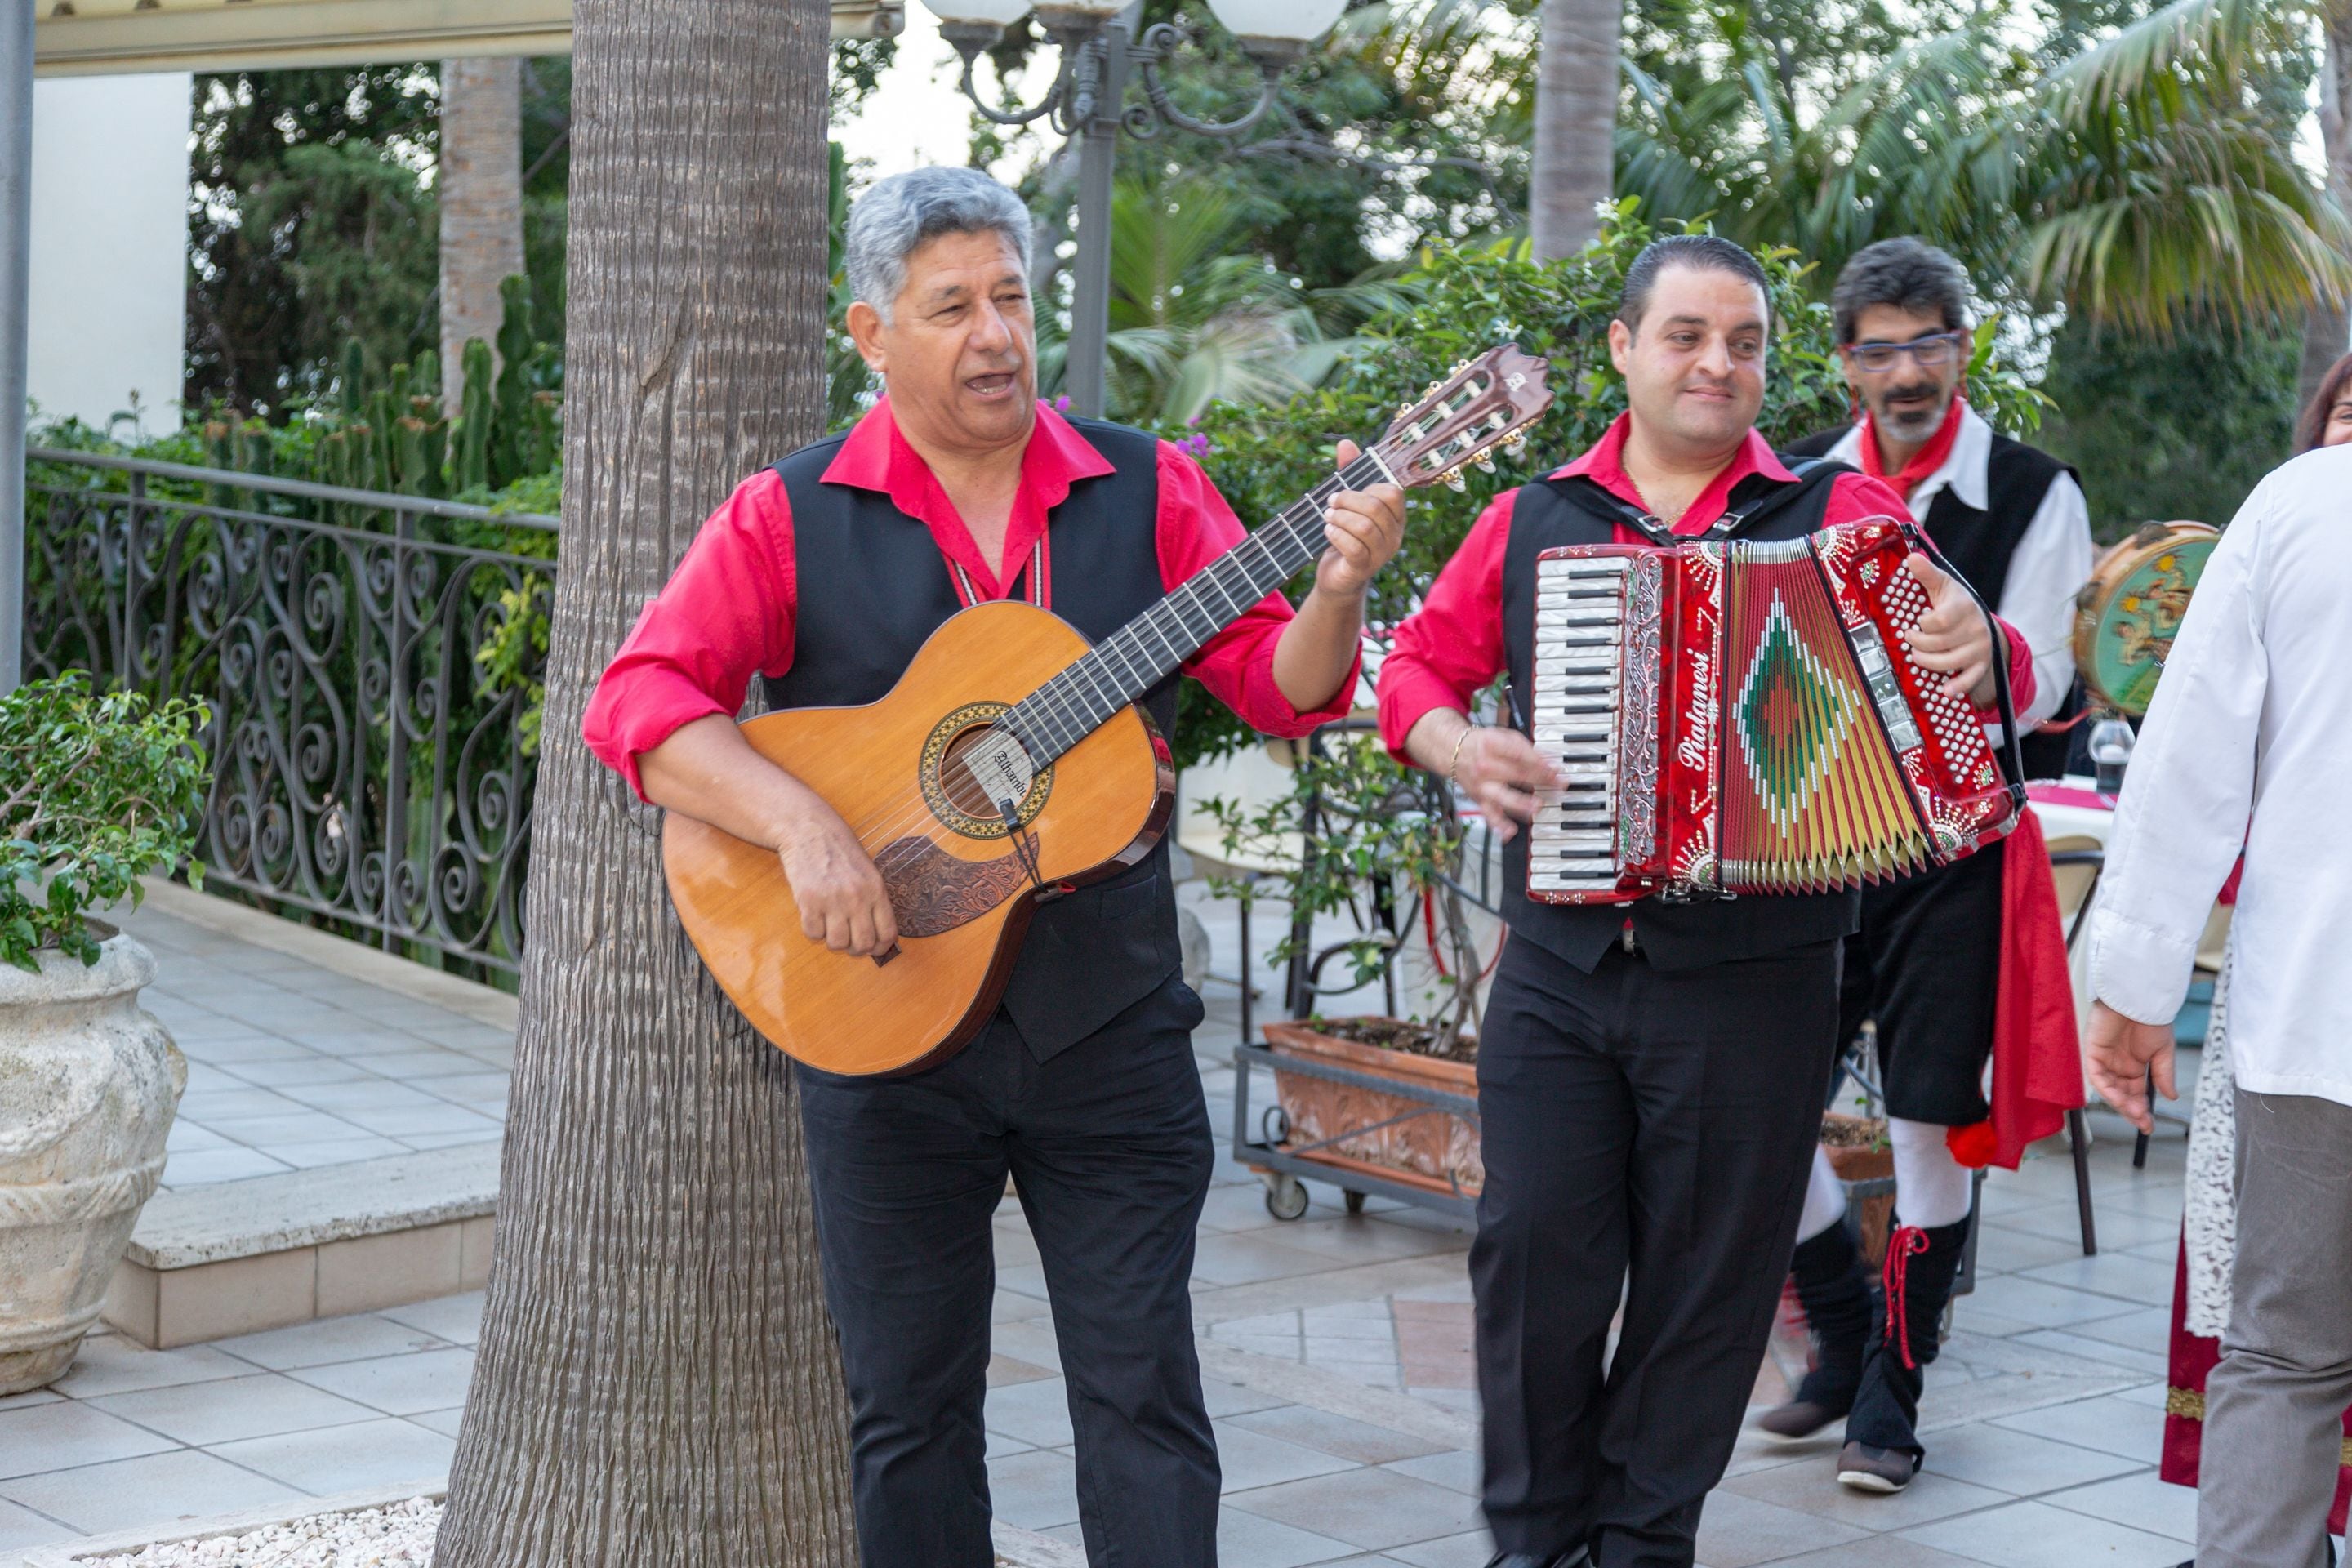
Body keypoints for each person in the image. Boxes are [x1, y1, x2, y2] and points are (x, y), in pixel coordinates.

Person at [579, 167, 1405, 1568]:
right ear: (871, 333)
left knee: (1143, 1396)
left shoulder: (1145, 486)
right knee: (907, 1411)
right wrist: (803, 825)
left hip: (1112, 1026)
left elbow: (1284, 688)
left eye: (1012, 298)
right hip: (884, 1027)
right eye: (951, 306)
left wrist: (1337, 584)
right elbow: (640, 705)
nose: (994, 336)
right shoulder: (789, 514)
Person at [1376, 233, 2036, 1568]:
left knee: (1710, 1295)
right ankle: (1535, 1543)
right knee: (1530, 1270)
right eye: (1685, 336)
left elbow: (1989, 672)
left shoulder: (1844, 523)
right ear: (1625, 348)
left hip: (1761, 977)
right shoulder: (1534, 521)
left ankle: (1641, 1545)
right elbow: (1414, 678)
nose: (1716, 364)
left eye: (1742, 342)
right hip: (1563, 970)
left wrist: (1990, 646)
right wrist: (1457, 747)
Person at [1762, 238, 2096, 1491]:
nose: (1907, 371)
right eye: (1879, 348)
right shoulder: (1797, 485)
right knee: (1768, 1097)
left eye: (1929, 342)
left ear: (1964, 345)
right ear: (1846, 364)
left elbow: (2053, 682)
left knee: (1924, 1128)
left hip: (1953, 852)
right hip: (1815, 843)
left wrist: (1987, 644)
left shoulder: (2033, 488)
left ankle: (1893, 1397)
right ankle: (1841, 1338)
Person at [2084, 437, 2352, 1568]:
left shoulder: (2302, 504)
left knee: (2286, 1357)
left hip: (2317, 1017)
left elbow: (2188, 764)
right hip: (2312, 1016)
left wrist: (2136, 992)